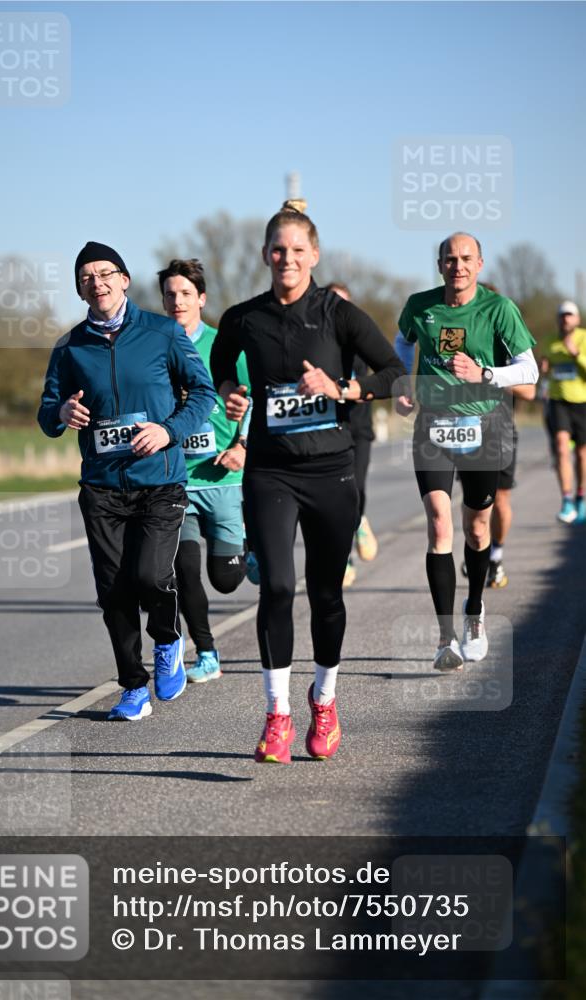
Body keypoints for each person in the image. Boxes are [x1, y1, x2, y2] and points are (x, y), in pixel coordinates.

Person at [211, 203, 405, 763]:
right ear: (264, 255)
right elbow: (220, 363)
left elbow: (394, 373)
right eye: (278, 249)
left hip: (330, 471)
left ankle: (324, 700)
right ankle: (277, 715)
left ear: (314, 255)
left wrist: (341, 389)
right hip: (270, 471)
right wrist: (229, 391)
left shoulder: (338, 314)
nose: (287, 259)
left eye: (298, 250)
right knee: (276, 587)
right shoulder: (244, 318)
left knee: (325, 593)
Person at [38, 241, 216, 720]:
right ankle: (133, 687)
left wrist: (168, 431)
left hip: (159, 481)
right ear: (80, 289)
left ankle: (167, 640)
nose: (96, 283)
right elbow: (47, 412)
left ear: (124, 280)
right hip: (101, 487)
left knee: (151, 576)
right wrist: (61, 412)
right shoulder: (70, 347)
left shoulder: (162, 332)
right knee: (113, 590)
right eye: (86, 277)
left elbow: (204, 393)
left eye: (104, 273)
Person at [396, 233, 538, 672]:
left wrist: (484, 373)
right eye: (450, 259)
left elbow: (530, 370)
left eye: (465, 258)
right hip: (433, 427)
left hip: (484, 427)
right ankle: (445, 639)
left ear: (479, 264)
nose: (457, 266)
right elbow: (402, 343)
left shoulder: (498, 309)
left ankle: (474, 610)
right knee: (439, 523)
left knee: (477, 529)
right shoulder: (419, 306)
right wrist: (404, 382)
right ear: (439, 265)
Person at [158, 258, 252, 684]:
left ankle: (248, 545)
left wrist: (243, 445)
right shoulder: (156, 346)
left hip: (224, 477)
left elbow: (255, 396)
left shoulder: (222, 344)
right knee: (184, 573)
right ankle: (207, 653)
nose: (177, 301)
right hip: (178, 479)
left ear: (202, 298)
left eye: (185, 294)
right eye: (170, 295)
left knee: (227, 579)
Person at [325, 282, 379, 588]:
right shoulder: (314, 342)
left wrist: (358, 390)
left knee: (356, 488)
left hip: (358, 428)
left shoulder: (360, 339)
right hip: (328, 429)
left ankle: (359, 522)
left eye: (343, 303)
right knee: (335, 496)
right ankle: (343, 555)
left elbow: (383, 373)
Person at [540, 300, 586, 524]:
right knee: (561, 446)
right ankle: (566, 499)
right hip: (558, 401)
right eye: (562, 315)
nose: (565, 319)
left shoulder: (584, 338)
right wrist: (543, 369)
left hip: (582, 401)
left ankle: (581, 497)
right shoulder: (549, 341)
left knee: (582, 454)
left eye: (569, 315)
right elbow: (545, 372)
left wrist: (577, 355)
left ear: (577, 319)